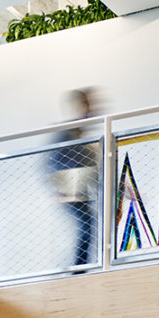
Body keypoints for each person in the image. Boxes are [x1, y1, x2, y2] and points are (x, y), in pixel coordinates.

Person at [48, 88, 104, 269]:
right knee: (87, 227)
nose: (91, 110)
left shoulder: (81, 136)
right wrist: (59, 188)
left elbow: (93, 169)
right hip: (70, 190)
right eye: (88, 105)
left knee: (88, 227)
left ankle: (80, 267)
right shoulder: (67, 133)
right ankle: (77, 269)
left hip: (80, 190)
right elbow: (51, 162)